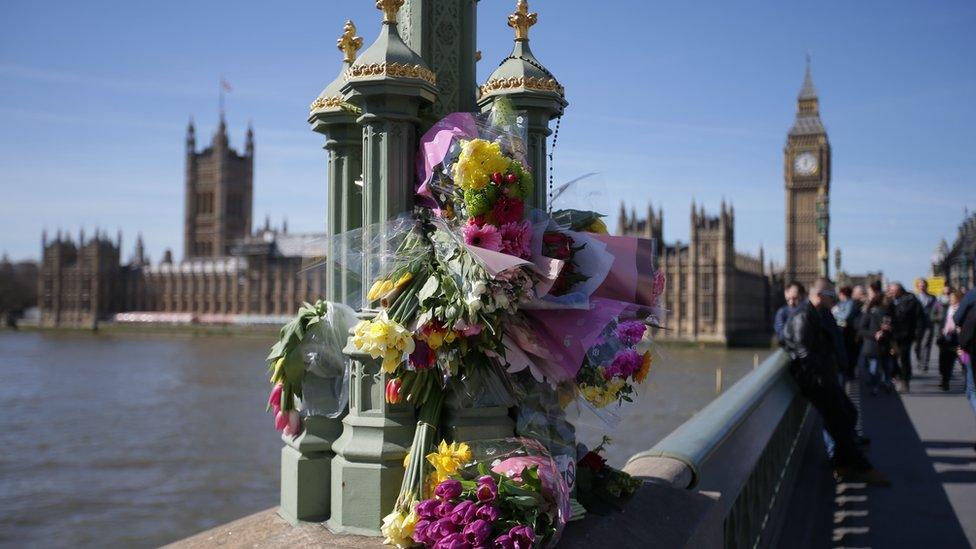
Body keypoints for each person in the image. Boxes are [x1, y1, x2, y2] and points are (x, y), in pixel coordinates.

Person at [783, 278, 889, 484]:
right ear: (820, 295)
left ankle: (842, 465)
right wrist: (824, 378)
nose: (836, 300)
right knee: (839, 422)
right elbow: (805, 355)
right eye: (832, 296)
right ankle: (861, 467)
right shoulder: (803, 316)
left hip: (823, 377)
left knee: (849, 413)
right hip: (816, 382)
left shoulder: (817, 314)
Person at [888, 282, 923, 392]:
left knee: (904, 357)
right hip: (893, 334)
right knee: (892, 356)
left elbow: (905, 315)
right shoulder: (891, 300)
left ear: (899, 290)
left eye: (893, 291)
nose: (891, 293)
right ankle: (897, 376)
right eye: (890, 291)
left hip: (905, 333)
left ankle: (905, 381)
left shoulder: (910, 299)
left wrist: (918, 334)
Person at [860, 284, 894, 395]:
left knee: (886, 366)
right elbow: (862, 329)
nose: (888, 301)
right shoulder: (870, 313)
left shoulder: (888, 313)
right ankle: (875, 386)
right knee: (873, 368)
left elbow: (894, 327)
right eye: (886, 300)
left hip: (885, 345)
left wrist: (889, 329)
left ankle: (886, 383)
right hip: (872, 346)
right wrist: (874, 334)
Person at [833, 285, 862, 381]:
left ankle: (849, 373)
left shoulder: (850, 303)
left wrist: (836, 314)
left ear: (842, 294)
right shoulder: (841, 303)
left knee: (849, 353)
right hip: (842, 330)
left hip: (849, 332)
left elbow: (845, 316)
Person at [936, 288, 961, 390]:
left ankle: (946, 381)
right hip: (945, 338)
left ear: (958, 299)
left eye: (952, 298)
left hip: (957, 339)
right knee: (943, 361)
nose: (950, 299)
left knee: (956, 361)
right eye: (950, 298)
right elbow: (942, 320)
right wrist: (941, 329)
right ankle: (944, 379)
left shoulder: (961, 309)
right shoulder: (947, 308)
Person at [914, 279, 939, 371]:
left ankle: (925, 363)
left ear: (926, 286)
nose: (922, 287)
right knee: (917, 346)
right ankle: (919, 359)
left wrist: (935, 318)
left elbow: (937, 309)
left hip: (929, 323)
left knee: (926, 344)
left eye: (923, 285)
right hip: (917, 324)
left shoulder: (932, 297)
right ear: (917, 286)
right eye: (920, 285)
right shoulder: (914, 297)